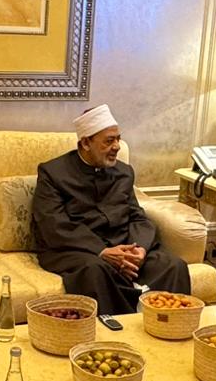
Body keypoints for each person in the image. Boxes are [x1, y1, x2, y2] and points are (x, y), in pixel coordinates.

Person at [32, 104, 192, 314]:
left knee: (173, 265)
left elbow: (137, 217)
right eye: (109, 141)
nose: (117, 146)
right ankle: (118, 328)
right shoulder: (53, 173)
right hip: (76, 249)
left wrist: (138, 250)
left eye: (118, 139)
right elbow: (53, 224)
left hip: (122, 244)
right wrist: (102, 251)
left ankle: (166, 326)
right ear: (86, 143)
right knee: (95, 270)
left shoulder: (124, 172)